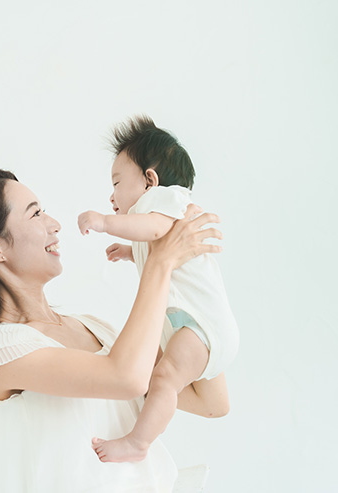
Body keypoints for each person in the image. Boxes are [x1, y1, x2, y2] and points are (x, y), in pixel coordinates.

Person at [0, 169, 230, 492]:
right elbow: (126, 377)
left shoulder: (98, 330)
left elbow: (210, 401)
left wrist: (192, 283)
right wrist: (160, 262)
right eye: (36, 213)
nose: (54, 223)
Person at [77, 115, 240, 463]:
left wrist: (106, 224)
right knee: (157, 377)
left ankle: (139, 442)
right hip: (196, 327)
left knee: (164, 378)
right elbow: (156, 245)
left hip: (201, 327)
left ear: (150, 180)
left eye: (118, 182)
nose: (111, 195)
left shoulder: (167, 200)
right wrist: (129, 252)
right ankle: (141, 425)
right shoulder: (159, 214)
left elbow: (152, 230)